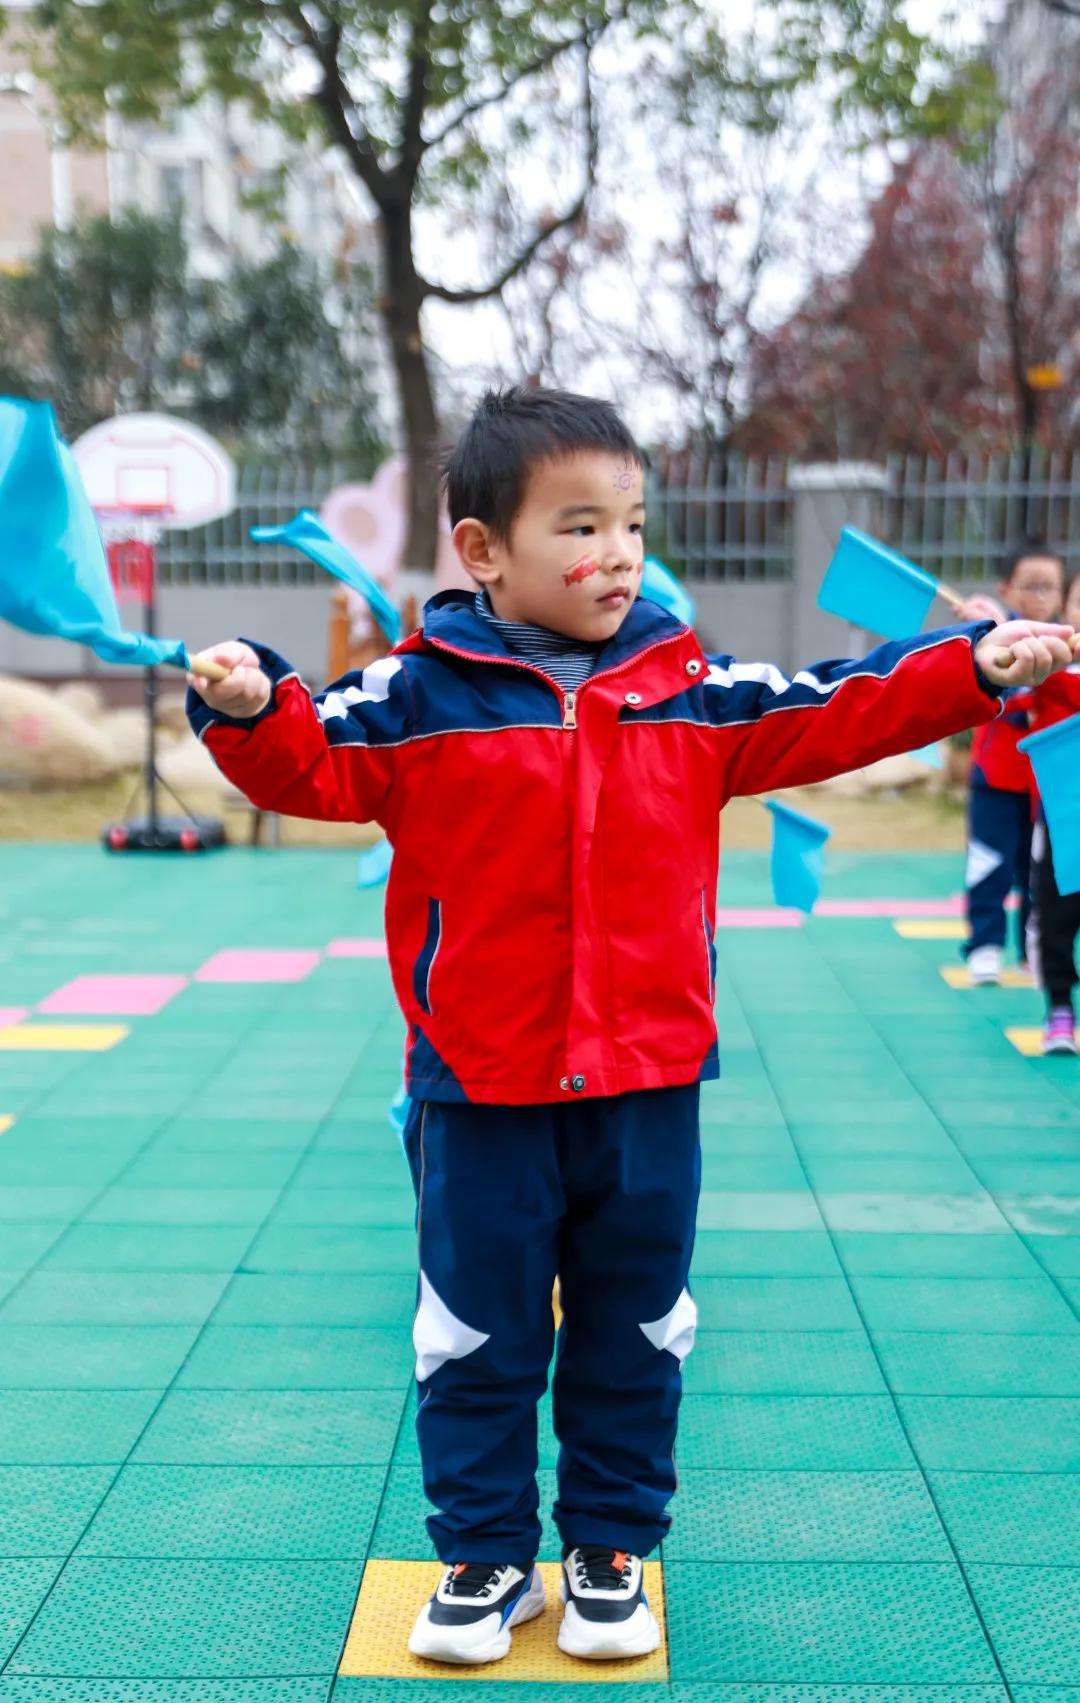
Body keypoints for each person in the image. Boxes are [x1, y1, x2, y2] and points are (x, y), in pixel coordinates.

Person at [186, 388, 1077, 1667]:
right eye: (581, 526)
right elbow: (308, 759)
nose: (618, 553)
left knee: (636, 1324)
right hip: (478, 1087)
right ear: (485, 549)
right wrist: (249, 702)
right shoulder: (416, 697)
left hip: (648, 1080)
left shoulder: (691, 688)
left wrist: (967, 666)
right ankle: (486, 1557)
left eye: (634, 524)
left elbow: (834, 703)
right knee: (475, 1331)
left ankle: (610, 1550)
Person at [960, 544, 1067, 984]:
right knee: (989, 861)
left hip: (1046, 781)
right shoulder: (990, 634)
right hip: (996, 774)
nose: (1039, 596)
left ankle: (1033, 946)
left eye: (1050, 588)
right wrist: (978, 630)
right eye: (1030, 586)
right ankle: (984, 944)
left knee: (1038, 870)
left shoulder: (1064, 644)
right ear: (1007, 588)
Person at [1015, 568, 1080, 1054]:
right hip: (1061, 816)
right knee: (1056, 912)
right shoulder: (1050, 669)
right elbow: (1006, 682)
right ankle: (1059, 1008)